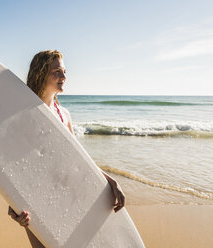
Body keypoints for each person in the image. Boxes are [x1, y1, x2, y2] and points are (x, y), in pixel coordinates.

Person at [7, 50, 125, 248]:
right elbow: (15, 164)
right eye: (57, 72)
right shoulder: (25, 115)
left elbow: (79, 160)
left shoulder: (64, 114)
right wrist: (13, 206)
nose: (64, 77)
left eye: (64, 71)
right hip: (36, 201)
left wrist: (110, 181)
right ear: (41, 74)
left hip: (66, 196)